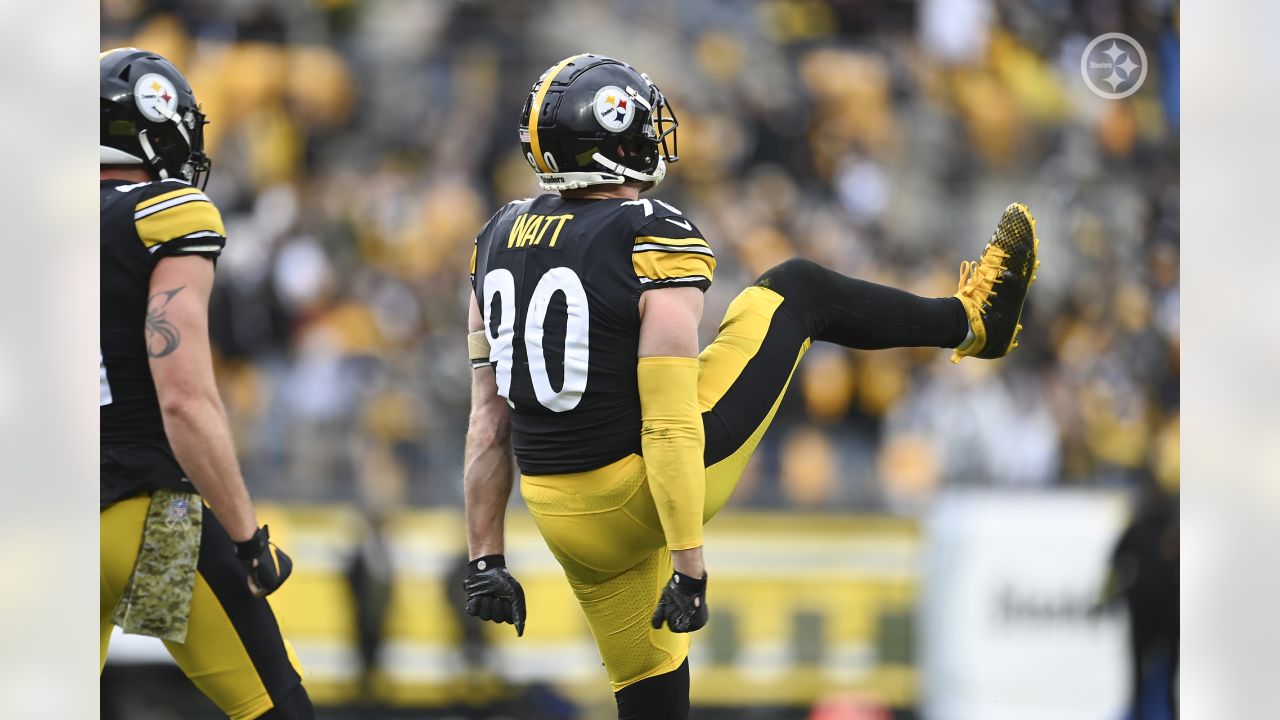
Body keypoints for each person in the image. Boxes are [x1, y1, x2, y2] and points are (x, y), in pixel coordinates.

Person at [461, 53, 1039, 719]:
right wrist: (689, 564)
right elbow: (670, 423)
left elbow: (487, 422)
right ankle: (975, 323)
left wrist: (485, 557)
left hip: (557, 509)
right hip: (638, 489)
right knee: (797, 290)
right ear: (613, 140)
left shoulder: (496, 237)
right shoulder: (649, 234)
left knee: (651, 693)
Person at [99, 48, 313, 719]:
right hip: (143, 509)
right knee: (277, 709)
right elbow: (184, 400)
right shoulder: (164, 213)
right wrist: (250, 540)